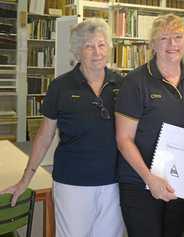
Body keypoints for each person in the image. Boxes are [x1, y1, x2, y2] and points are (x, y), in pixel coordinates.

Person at [0, 18, 124, 237]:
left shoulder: (122, 84)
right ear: (78, 51)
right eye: (89, 46)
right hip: (72, 183)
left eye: (101, 44)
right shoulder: (61, 86)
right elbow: (45, 135)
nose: (97, 52)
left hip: (113, 182)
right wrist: (25, 180)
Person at [115, 13, 184, 237]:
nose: (172, 44)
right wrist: (150, 178)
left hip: (182, 181)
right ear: (153, 44)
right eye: (164, 38)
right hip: (140, 183)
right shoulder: (135, 82)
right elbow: (123, 139)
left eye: (178, 37)